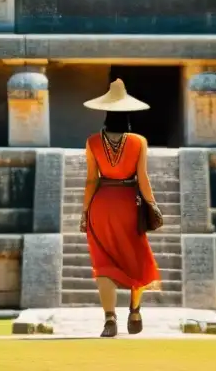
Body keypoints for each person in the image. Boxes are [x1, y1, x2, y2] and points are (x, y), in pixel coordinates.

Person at [80, 79, 162, 337]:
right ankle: (135, 310)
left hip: (101, 205)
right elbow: (143, 178)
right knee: (136, 258)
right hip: (129, 205)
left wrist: (84, 212)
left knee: (104, 264)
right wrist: (153, 205)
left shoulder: (93, 142)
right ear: (128, 114)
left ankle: (109, 319)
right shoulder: (139, 141)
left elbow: (92, 179)